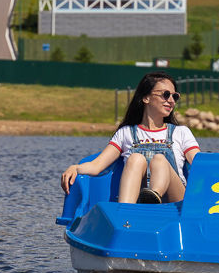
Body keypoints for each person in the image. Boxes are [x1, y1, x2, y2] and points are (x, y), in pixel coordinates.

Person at [60, 72, 199, 204]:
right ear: (146, 98)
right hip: (138, 200)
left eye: (175, 96)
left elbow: (200, 164)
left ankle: (153, 196)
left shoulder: (181, 132)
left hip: (176, 203)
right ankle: (125, 213)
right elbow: (97, 166)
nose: (171, 101)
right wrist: (75, 168)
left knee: (159, 160)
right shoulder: (125, 133)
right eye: (165, 94)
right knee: (135, 159)